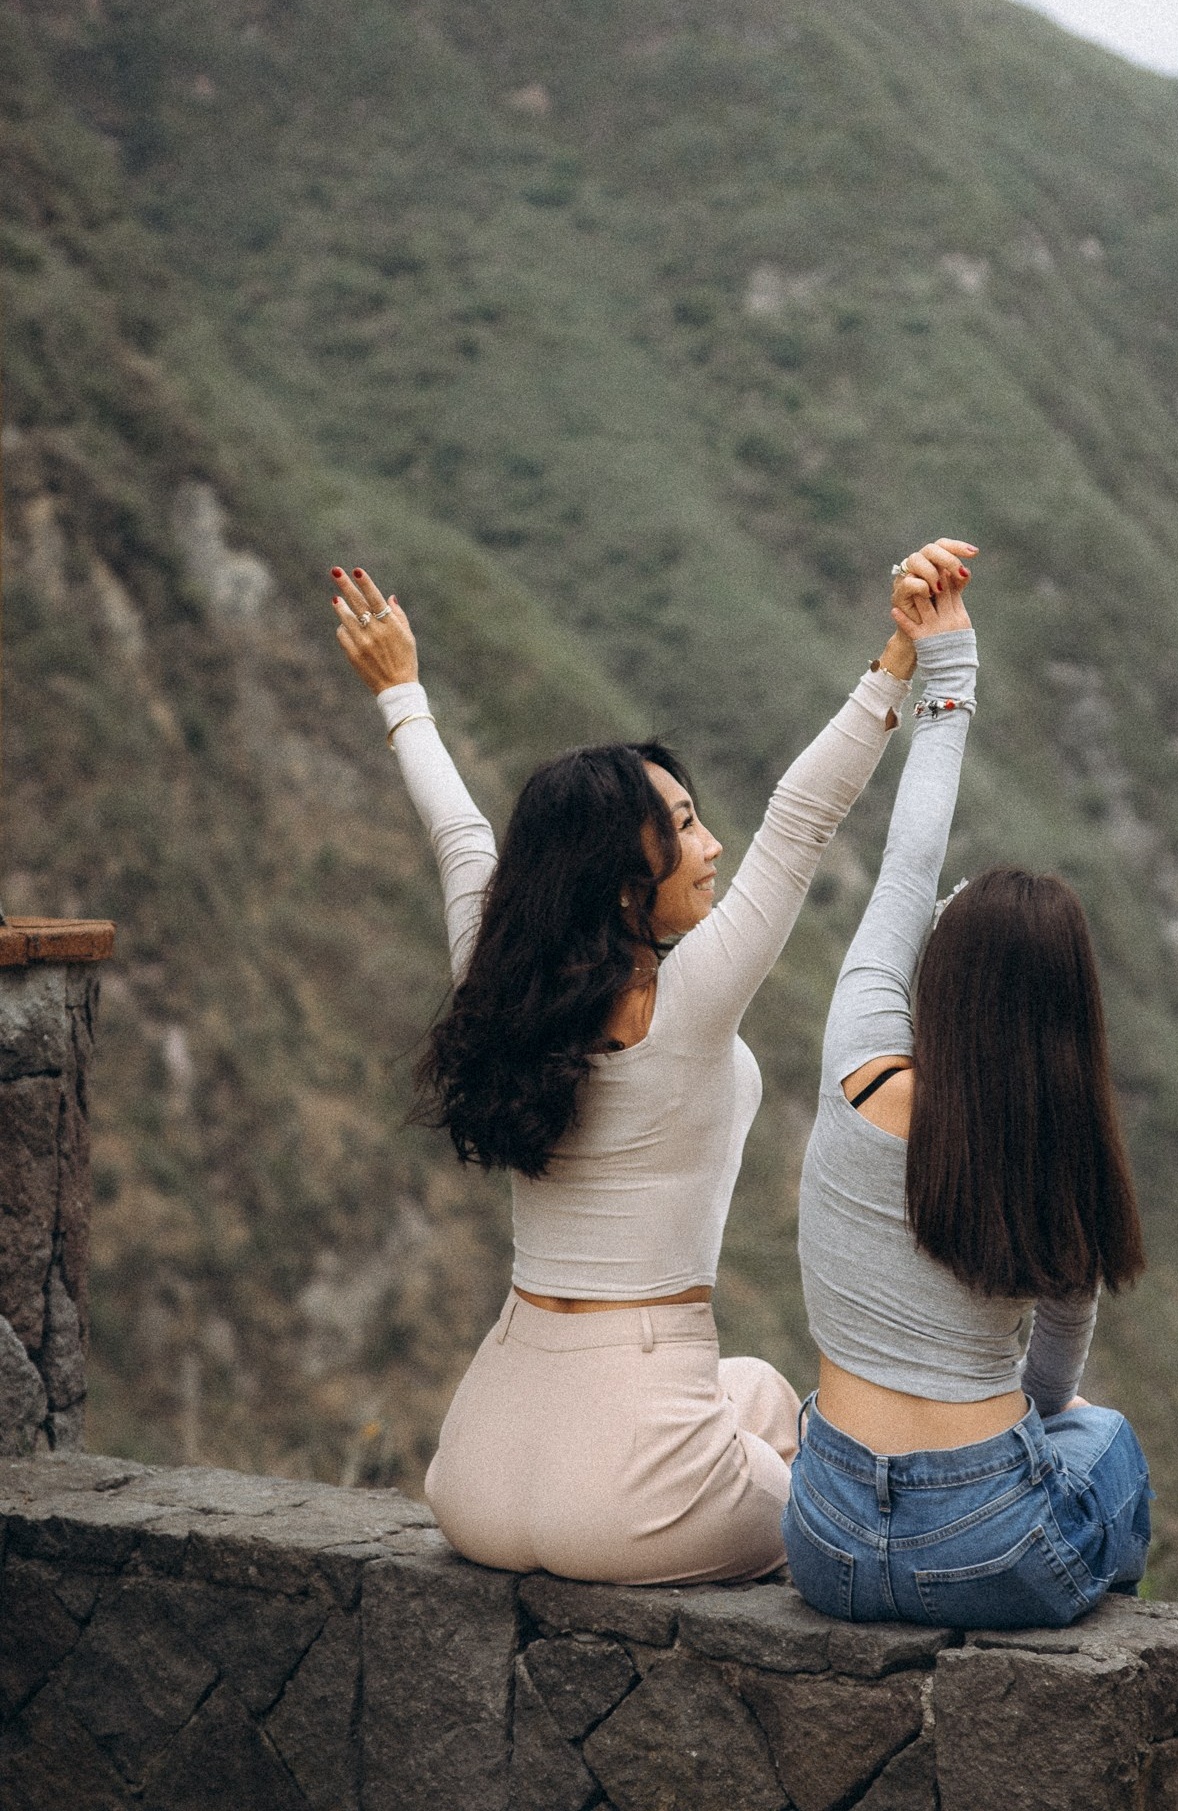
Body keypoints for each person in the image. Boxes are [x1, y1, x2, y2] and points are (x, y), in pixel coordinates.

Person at [328, 540, 977, 1585]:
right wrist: (900, 659)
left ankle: (697, 1457)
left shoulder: (496, 986)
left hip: (479, 1472)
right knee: (838, 1498)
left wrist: (400, 688)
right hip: (627, 1496)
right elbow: (801, 819)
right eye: (682, 826)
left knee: (761, 1389)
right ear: (626, 878)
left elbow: (458, 835)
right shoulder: (681, 1005)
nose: (712, 843)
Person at [787, 558, 1152, 1627]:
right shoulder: (1052, 1152)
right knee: (1103, 1436)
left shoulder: (857, 1055)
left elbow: (908, 863)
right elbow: (1047, 1390)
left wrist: (950, 666)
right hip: (993, 1545)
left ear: (936, 974)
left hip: (824, 1537)